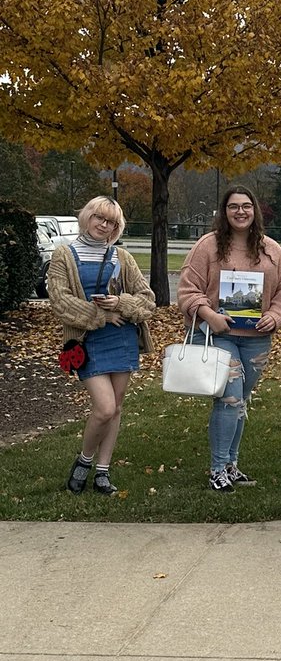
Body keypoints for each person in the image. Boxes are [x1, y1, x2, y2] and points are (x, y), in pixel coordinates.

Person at [177, 185, 281, 492]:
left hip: (256, 339)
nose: (240, 211)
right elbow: (187, 290)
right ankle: (217, 470)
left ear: (255, 210)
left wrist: (275, 316)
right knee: (229, 399)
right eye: (233, 206)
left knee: (240, 401)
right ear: (224, 212)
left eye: (246, 206)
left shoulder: (271, 250)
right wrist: (209, 315)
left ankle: (231, 464)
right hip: (219, 335)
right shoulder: (207, 246)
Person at [47, 196, 155, 495]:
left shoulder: (122, 257)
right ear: (87, 217)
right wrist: (101, 316)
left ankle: (103, 471)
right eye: (99, 218)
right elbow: (60, 301)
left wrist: (119, 302)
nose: (104, 225)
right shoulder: (64, 255)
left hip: (122, 338)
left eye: (111, 222)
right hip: (87, 341)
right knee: (104, 408)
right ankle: (84, 461)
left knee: (116, 408)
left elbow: (147, 300)